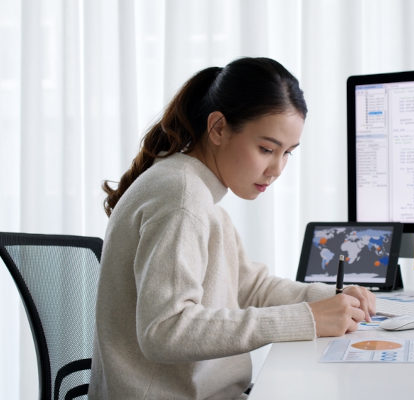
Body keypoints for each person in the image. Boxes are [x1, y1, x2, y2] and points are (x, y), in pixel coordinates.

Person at [89, 57, 376, 400]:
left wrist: (329, 299)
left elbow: (251, 287)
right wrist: (306, 319)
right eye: (267, 149)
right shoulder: (182, 197)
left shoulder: (196, 192)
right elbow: (165, 330)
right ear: (219, 128)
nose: (277, 168)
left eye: (288, 153)